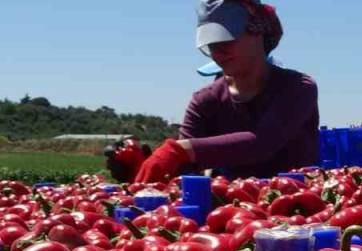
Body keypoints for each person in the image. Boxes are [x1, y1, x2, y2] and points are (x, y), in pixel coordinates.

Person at [133, 1, 320, 183]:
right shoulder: (205, 101)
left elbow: (262, 143)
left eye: (225, 40)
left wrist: (182, 150)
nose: (217, 52)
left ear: (257, 29)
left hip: (298, 204)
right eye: (211, 45)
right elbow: (185, 169)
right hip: (232, 210)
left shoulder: (297, 88)